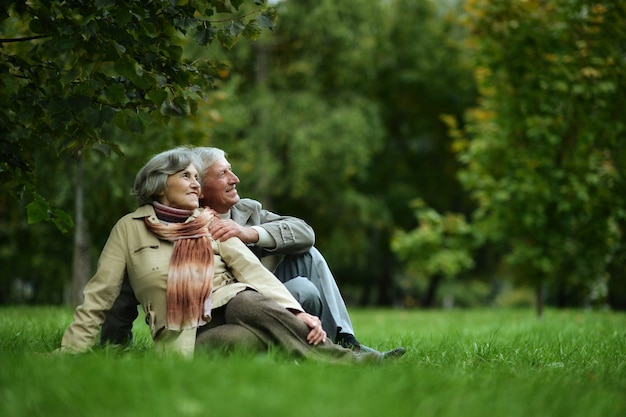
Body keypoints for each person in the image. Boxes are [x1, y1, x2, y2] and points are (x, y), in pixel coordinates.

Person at [59, 147, 381, 362]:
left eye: (197, 178)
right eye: (188, 177)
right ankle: (316, 353)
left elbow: (253, 272)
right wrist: (86, 349)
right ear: (160, 185)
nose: (195, 186)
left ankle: (346, 356)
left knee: (251, 294)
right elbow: (104, 296)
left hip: (244, 301)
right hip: (190, 334)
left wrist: (297, 312)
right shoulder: (130, 229)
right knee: (249, 333)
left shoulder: (209, 220)